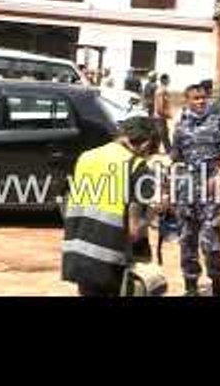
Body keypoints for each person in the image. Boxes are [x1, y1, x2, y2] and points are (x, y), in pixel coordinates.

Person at [61, 116, 159, 297]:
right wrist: (155, 211)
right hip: (111, 262)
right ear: (145, 144)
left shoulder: (86, 157)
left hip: (80, 252)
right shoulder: (136, 166)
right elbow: (134, 231)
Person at [170, 83, 220, 296]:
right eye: (196, 98)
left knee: (211, 240)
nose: (201, 101)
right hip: (185, 190)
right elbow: (176, 158)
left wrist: (219, 176)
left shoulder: (217, 122)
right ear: (187, 100)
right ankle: (191, 286)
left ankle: (217, 284)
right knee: (187, 240)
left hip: (210, 190)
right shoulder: (180, 127)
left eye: (203, 98)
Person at [153, 73, 172, 153]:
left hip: (159, 116)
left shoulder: (161, 90)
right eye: (168, 79)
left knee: (160, 133)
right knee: (163, 134)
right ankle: (170, 151)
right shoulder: (161, 91)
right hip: (160, 116)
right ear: (164, 80)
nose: (169, 81)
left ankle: (154, 149)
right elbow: (159, 106)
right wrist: (166, 114)